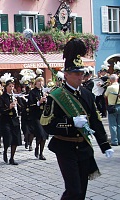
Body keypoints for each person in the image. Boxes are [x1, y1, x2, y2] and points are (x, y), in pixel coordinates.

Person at [40, 38, 114, 199]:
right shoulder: (56, 96)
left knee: (82, 191)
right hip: (65, 147)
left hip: (84, 148)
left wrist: (104, 144)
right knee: (74, 190)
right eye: (76, 73)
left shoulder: (87, 94)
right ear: (66, 74)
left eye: (82, 73)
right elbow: (47, 124)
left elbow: (95, 120)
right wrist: (71, 122)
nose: (80, 77)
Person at [0, 74, 22, 165]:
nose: (11, 88)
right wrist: (9, 107)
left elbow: (21, 108)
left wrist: (18, 104)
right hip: (6, 121)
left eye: (12, 86)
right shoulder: (2, 97)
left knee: (15, 139)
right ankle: (5, 151)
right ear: (6, 87)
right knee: (8, 138)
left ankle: (12, 157)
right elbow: (0, 109)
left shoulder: (15, 96)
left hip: (15, 120)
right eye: (10, 86)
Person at [28, 76, 48, 160]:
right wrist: (39, 102)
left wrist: (46, 99)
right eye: (39, 81)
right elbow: (30, 104)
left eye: (42, 81)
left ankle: (41, 153)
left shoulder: (44, 91)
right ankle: (36, 147)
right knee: (40, 134)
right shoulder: (32, 92)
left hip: (44, 116)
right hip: (36, 116)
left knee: (44, 135)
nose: (40, 83)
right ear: (35, 83)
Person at [104, 74, 120, 146]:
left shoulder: (110, 88)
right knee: (119, 124)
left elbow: (105, 95)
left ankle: (114, 140)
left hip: (112, 106)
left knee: (113, 124)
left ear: (111, 80)